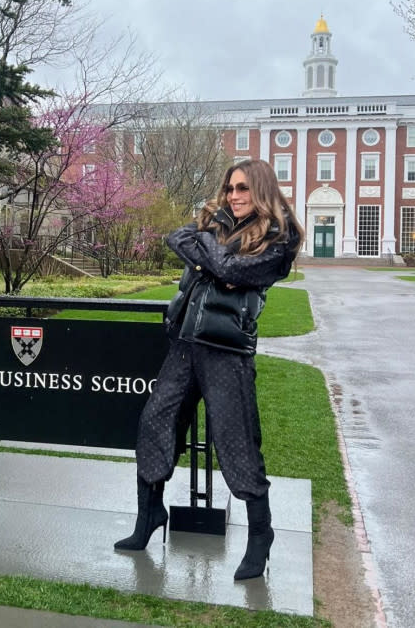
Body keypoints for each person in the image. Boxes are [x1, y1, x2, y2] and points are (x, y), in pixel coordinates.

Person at [114, 159, 304, 580]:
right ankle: (149, 516)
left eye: (243, 188)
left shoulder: (279, 239)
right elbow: (176, 236)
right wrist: (213, 257)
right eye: (230, 188)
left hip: (226, 350)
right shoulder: (217, 224)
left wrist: (208, 256)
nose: (234, 196)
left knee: (237, 443)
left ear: (262, 190)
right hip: (185, 343)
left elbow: (232, 269)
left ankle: (261, 535)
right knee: (154, 424)